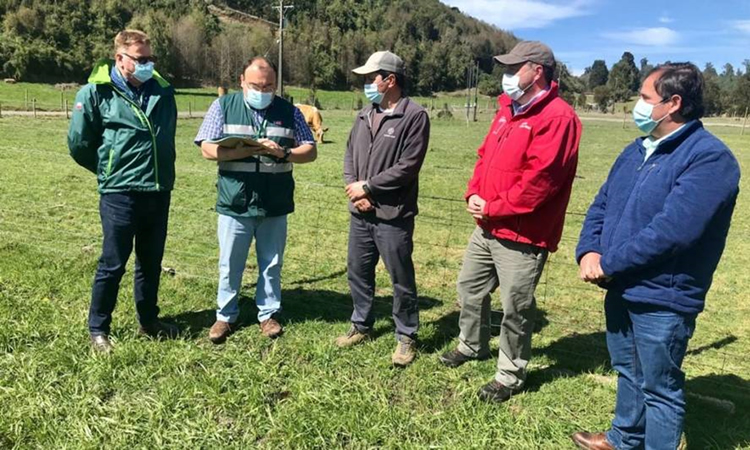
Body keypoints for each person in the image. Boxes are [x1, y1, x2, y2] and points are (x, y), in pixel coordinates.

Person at [572, 63, 740, 450]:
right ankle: (624, 437)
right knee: (628, 371)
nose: (639, 105)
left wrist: (608, 264)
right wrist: (589, 250)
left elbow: (673, 232)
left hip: (663, 295)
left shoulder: (710, 159)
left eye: (646, 98)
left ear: (674, 103)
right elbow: (601, 204)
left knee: (659, 387)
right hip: (620, 286)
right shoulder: (636, 150)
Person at [439, 41, 582, 402]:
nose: (505, 76)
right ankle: (471, 345)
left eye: (513, 68)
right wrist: (473, 192)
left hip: (523, 234)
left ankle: (510, 374)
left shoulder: (558, 117)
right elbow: (484, 155)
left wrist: (495, 206)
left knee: (515, 308)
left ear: (537, 70)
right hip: (487, 225)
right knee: (469, 288)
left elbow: (541, 182)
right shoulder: (507, 109)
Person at [68, 29, 179, 352]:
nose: (148, 64)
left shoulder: (162, 90)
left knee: (151, 260)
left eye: (151, 58)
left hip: (157, 189)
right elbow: (79, 144)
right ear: (120, 58)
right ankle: (98, 328)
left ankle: (149, 321)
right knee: (113, 262)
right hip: (120, 191)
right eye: (141, 59)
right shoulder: (95, 93)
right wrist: (108, 170)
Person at [194, 57, 317, 344]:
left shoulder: (290, 112)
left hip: (274, 201)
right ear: (242, 81)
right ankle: (225, 315)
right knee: (229, 263)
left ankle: (268, 314)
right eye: (255, 85)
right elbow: (207, 149)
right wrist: (244, 151)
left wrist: (283, 154)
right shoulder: (223, 106)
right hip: (235, 201)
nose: (262, 91)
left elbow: (310, 151)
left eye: (269, 86)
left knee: (272, 263)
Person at [336, 51, 430, 367]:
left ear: (389, 80)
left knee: (400, 277)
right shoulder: (364, 114)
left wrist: (369, 187)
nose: (366, 83)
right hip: (360, 212)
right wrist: (355, 190)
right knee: (358, 272)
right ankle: (361, 324)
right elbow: (349, 155)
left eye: (370, 77)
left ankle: (406, 336)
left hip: (393, 215)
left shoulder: (415, 116)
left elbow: (408, 166)